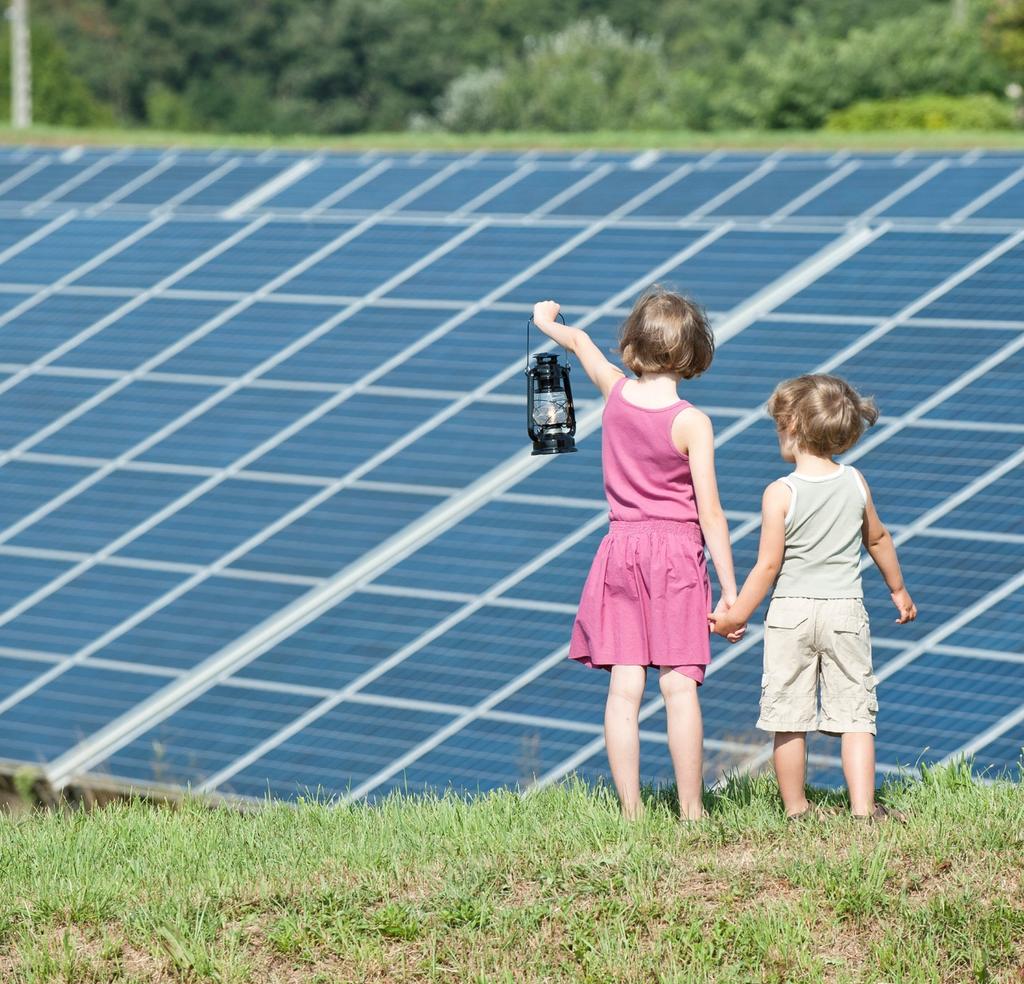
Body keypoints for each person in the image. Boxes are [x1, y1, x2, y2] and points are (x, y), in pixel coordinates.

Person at [531, 289, 739, 821]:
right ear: (693, 353)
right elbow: (711, 513)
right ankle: (691, 812)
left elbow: (579, 342)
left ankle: (631, 813)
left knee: (625, 689)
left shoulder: (615, 393)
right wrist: (732, 590)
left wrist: (545, 320)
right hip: (675, 557)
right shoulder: (692, 422)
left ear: (633, 344)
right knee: (678, 686)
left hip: (621, 551)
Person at [709, 374, 917, 820]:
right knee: (855, 715)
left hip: (791, 615)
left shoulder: (780, 493)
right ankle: (863, 809)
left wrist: (735, 615)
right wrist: (897, 590)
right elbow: (877, 539)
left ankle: (797, 809)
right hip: (845, 611)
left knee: (789, 716)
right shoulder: (856, 482)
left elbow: (767, 567)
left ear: (794, 428)